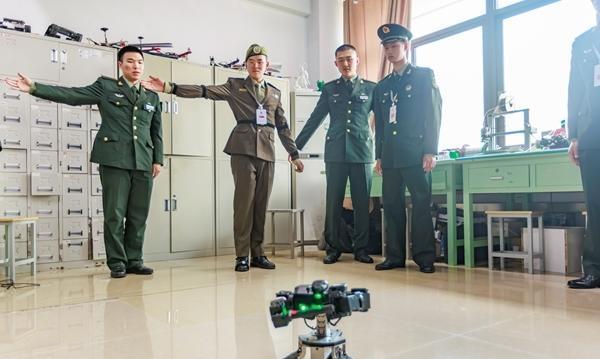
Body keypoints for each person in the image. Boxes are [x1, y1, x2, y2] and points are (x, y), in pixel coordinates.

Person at [142, 44, 304, 272]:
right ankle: (242, 256)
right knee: (244, 205)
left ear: (267, 65)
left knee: (261, 205)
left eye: (260, 61)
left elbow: (283, 127)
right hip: (242, 150)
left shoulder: (275, 93)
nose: (256, 65)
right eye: (251, 62)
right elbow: (205, 91)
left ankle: (258, 254)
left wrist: (294, 154)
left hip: (267, 152)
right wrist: (170, 87)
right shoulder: (235, 86)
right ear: (246, 65)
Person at [5, 45, 163, 279]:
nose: (135, 66)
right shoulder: (106, 87)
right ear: (120, 64)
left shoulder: (151, 96)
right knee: (114, 215)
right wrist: (35, 88)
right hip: (114, 159)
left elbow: (156, 131)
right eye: (130, 61)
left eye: (139, 62)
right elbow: (73, 95)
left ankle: (134, 260)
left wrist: (158, 160)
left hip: (143, 161)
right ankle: (117, 262)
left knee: (139, 215)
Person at [295, 44, 376, 265]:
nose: (346, 64)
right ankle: (333, 248)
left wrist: (383, 152)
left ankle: (361, 249)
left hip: (362, 152)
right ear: (336, 63)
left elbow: (384, 122)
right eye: (341, 60)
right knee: (333, 203)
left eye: (349, 59)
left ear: (357, 60)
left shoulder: (371, 88)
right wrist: (296, 147)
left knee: (362, 203)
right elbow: (315, 118)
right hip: (335, 152)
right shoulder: (330, 89)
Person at [372, 24, 442, 273]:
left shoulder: (423, 76)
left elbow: (433, 115)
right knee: (391, 205)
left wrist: (430, 150)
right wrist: (379, 156)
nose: (390, 51)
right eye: (386, 47)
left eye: (394, 46)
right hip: (390, 156)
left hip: (416, 153)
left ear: (406, 46)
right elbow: (381, 124)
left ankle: (424, 258)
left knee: (421, 205)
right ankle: (394, 256)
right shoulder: (382, 86)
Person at [567, 0, 600, 289]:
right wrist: (574, 135)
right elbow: (574, 90)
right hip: (591, 133)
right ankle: (594, 270)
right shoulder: (582, 44)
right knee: (595, 205)